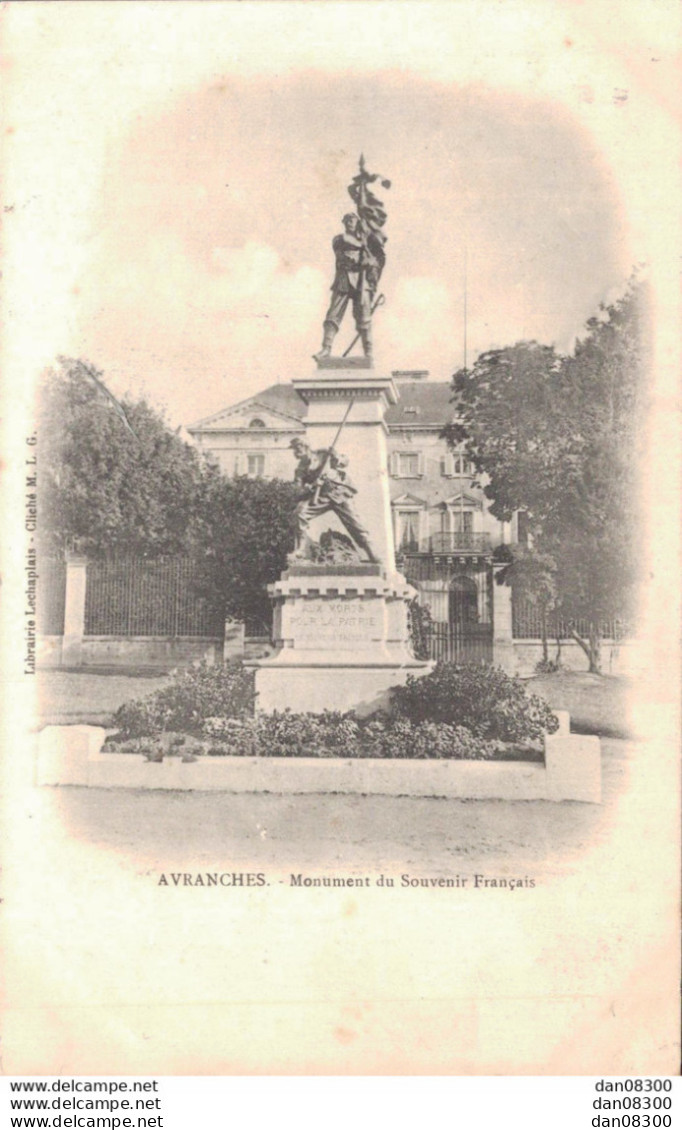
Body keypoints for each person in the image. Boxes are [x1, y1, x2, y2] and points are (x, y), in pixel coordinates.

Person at [290, 438, 377, 562]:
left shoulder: (324, 453)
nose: (296, 451)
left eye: (298, 447)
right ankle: (301, 550)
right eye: (294, 449)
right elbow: (297, 490)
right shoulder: (300, 469)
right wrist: (311, 486)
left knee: (355, 523)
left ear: (306, 446)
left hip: (339, 491)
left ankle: (371, 552)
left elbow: (345, 462)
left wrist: (336, 457)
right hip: (321, 496)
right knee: (300, 513)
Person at [314, 212, 383, 361]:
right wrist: (363, 245)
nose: (349, 223)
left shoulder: (365, 244)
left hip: (361, 281)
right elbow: (343, 250)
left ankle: (369, 352)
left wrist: (368, 259)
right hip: (344, 279)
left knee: (364, 317)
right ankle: (326, 348)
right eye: (347, 221)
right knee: (333, 315)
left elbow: (374, 261)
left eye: (352, 220)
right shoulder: (339, 239)